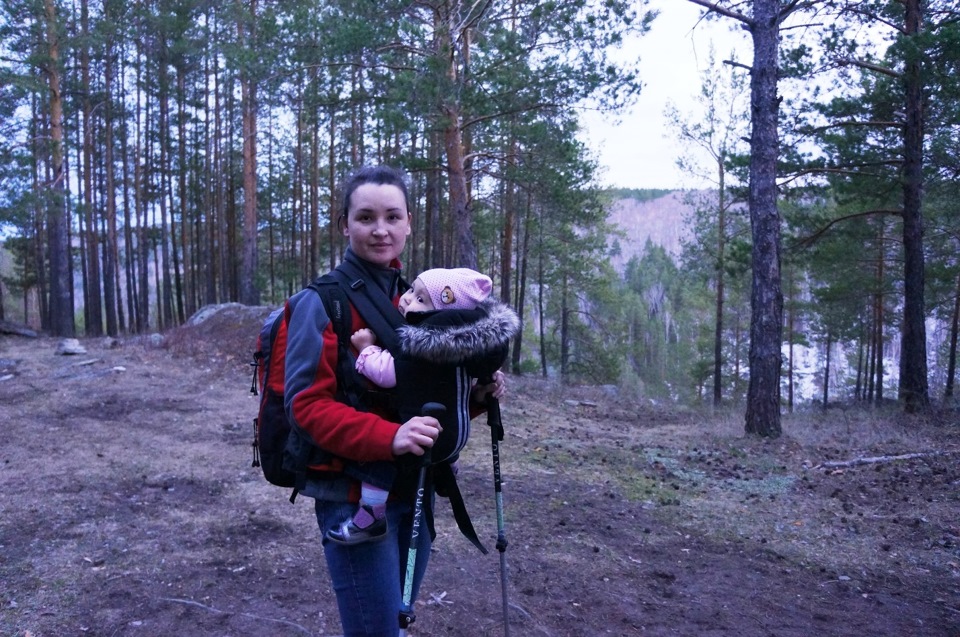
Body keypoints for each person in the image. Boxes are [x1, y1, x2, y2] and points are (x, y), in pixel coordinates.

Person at [281, 165, 505, 637]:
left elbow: (420, 392)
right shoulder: (322, 302)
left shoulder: (416, 299)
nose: (380, 230)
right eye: (365, 217)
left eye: (391, 216)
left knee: (395, 624)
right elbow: (305, 406)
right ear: (345, 224)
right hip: (355, 496)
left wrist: (477, 398)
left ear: (408, 223)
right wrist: (392, 438)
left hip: (415, 488)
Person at [326, 267, 519, 546]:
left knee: (378, 460)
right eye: (411, 291)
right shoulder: (464, 347)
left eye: (420, 300)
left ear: (439, 314)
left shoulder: (421, 345)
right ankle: (445, 473)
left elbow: (387, 373)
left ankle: (371, 515)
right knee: (436, 446)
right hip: (456, 437)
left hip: (429, 438)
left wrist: (367, 347)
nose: (406, 300)